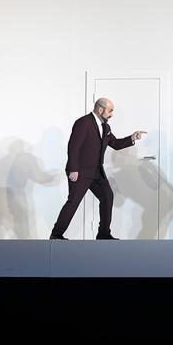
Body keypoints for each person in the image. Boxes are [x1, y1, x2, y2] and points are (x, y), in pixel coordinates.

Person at [50, 98, 145, 240]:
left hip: (96, 172)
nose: (112, 114)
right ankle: (56, 234)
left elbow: (116, 144)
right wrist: (73, 169)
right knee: (73, 201)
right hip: (80, 172)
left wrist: (132, 137)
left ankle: (103, 234)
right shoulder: (83, 123)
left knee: (107, 196)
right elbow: (74, 147)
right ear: (100, 109)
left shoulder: (106, 127)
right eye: (110, 111)